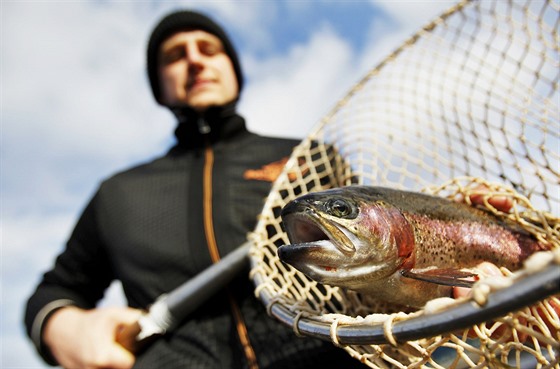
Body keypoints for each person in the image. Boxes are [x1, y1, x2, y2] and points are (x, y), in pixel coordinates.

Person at [24, 9, 367, 369]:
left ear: (233, 70)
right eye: (175, 55)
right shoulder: (118, 194)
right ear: (159, 85)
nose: (194, 61)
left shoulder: (308, 158)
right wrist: (63, 327)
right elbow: (54, 290)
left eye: (209, 49)